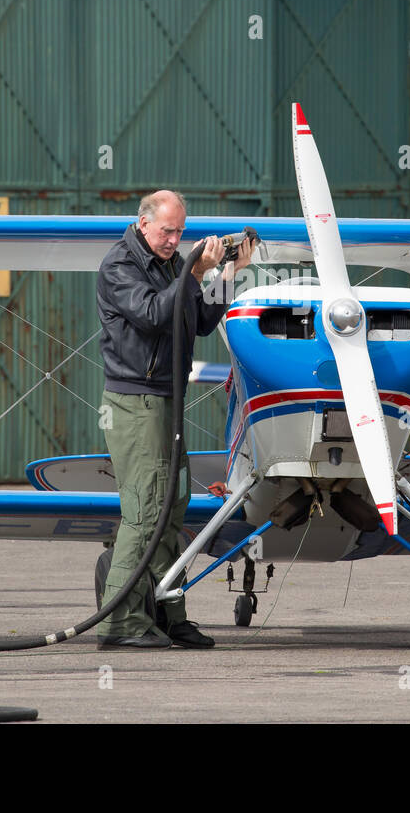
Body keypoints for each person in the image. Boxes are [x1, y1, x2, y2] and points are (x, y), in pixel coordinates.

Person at [94, 189, 253, 649]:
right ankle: (121, 621)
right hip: (137, 402)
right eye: (167, 231)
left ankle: (166, 611)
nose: (174, 239)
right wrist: (193, 270)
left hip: (165, 398)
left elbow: (200, 320)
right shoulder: (120, 266)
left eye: (180, 232)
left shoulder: (167, 264)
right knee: (145, 514)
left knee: (172, 511)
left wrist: (227, 272)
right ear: (143, 223)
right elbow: (152, 314)